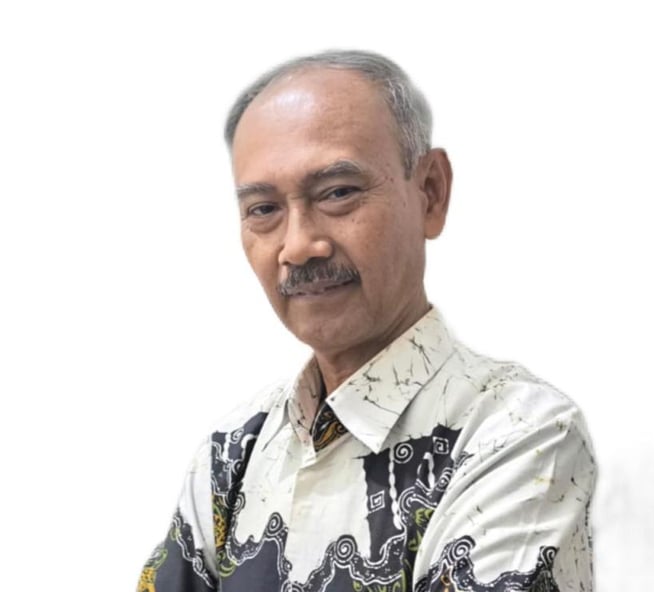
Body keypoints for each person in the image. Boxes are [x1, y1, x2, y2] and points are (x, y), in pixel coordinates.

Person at [137, 49, 597, 592]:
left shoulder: (518, 435)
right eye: (264, 209)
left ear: (430, 192)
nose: (298, 246)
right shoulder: (232, 453)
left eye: (338, 193)